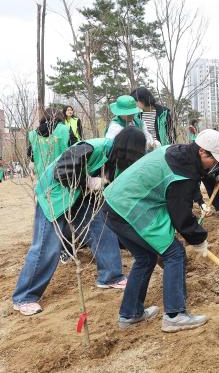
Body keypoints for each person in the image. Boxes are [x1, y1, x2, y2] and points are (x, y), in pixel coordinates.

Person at [102, 129, 219, 332]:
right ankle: (175, 315)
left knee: (146, 258)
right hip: (129, 208)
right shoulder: (183, 171)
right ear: (202, 152)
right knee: (174, 253)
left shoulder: (176, 152)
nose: (215, 166)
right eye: (213, 160)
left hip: (113, 204)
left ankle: (130, 314)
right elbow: (181, 216)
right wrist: (198, 238)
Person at [12, 127, 146, 316]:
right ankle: (24, 297)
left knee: (103, 228)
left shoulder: (119, 160)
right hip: (55, 195)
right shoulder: (92, 147)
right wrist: (88, 181)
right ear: (122, 147)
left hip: (81, 197)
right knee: (47, 247)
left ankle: (110, 276)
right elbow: (63, 169)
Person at [28, 108, 71, 178]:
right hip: (62, 174)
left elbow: (31, 155)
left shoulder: (33, 134)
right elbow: (75, 149)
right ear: (59, 117)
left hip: (41, 177)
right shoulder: (64, 129)